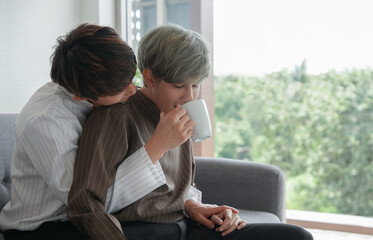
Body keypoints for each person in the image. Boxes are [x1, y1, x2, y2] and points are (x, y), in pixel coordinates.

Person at [67, 24, 313, 240]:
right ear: (150, 77)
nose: (189, 96)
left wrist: (196, 205)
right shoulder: (113, 118)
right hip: (142, 232)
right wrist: (159, 144)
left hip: (186, 227)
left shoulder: (179, 113)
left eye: (195, 85)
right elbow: (85, 205)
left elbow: (177, 186)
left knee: (296, 236)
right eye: (178, 85)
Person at [0, 23, 188, 240]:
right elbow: (88, 202)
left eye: (130, 79)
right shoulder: (47, 121)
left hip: (84, 220)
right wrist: (157, 146)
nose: (131, 90)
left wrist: (189, 202)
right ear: (81, 95)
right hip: (46, 228)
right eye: (120, 89)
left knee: (175, 227)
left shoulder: (99, 96)